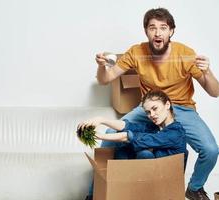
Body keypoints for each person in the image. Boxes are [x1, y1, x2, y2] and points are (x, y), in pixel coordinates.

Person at [94, 8, 219, 200]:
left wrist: (207, 71)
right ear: (146, 31)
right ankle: (101, 188)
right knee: (111, 134)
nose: (158, 33)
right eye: (152, 28)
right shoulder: (137, 52)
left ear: (171, 31)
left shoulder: (185, 54)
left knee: (210, 150)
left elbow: (214, 92)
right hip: (150, 106)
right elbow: (106, 79)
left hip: (181, 108)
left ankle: (194, 188)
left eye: (163, 28)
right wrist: (102, 66)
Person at [80, 90, 187, 200]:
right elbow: (127, 126)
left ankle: (114, 190)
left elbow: (130, 137)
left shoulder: (176, 132)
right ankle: (101, 194)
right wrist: (101, 120)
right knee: (124, 149)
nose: (152, 115)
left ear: (167, 105)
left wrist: (100, 136)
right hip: (144, 180)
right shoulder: (154, 128)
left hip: (163, 185)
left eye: (155, 109)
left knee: (144, 154)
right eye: (148, 112)